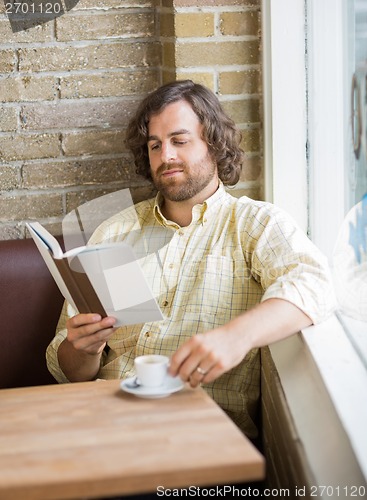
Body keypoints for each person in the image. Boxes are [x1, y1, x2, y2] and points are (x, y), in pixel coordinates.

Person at [46, 80, 335, 440]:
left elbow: (315, 283)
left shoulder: (254, 224)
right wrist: (82, 348)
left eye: (180, 141)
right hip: (103, 427)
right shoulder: (114, 232)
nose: (165, 156)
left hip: (200, 438)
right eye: (155, 145)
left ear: (214, 144)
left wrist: (235, 338)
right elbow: (70, 371)